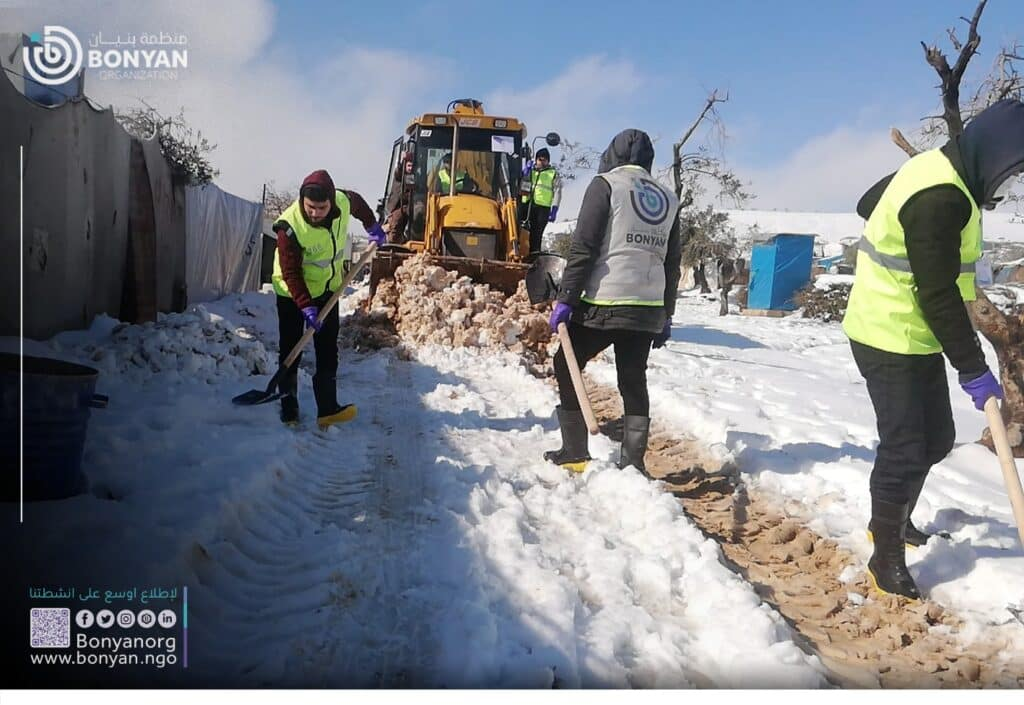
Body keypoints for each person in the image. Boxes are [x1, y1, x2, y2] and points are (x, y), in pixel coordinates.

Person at [842, 98, 1024, 600]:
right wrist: (972, 368)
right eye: (1011, 173)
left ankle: (895, 520)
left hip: (914, 333)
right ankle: (885, 554)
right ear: (993, 155)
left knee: (937, 439)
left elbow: (867, 204)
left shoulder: (935, 168)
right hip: (886, 331)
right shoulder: (941, 196)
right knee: (904, 446)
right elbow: (939, 292)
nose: (1009, 186)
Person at [544, 129, 681, 473]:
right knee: (633, 378)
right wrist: (666, 313)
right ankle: (633, 463)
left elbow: (584, 248)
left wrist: (566, 299)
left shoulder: (605, 185)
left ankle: (574, 452)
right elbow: (671, 262)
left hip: (605, 302)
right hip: (647, 306)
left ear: (613, 154)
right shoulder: (668, 197)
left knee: (565, 363)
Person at [271, 169, 387, 428]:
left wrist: (372, 225)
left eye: (321, 208)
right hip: (292, 294)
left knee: (328, 349)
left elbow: (356, 201)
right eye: (310, 207)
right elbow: (290, 272)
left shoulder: (343, 202)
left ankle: (328, 409)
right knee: (291, 347)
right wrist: (306, 307)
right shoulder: (288, 227)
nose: (314, 213)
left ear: (331, 202)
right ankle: (288, 408)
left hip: (328, 291)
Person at [519, 147, 563, 253]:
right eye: (539, 159)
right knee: (521, 229)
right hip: (527, 204)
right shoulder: (531, 171)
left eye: (544, 160)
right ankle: (520, 251)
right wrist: (525, 171)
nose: (541, 162)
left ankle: (534, 255)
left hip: (542, 208)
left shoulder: (552, 173)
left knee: (536, 233)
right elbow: (520, 183)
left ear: (548, 161)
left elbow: (557, 192)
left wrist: (554, 209)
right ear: (536, 160)